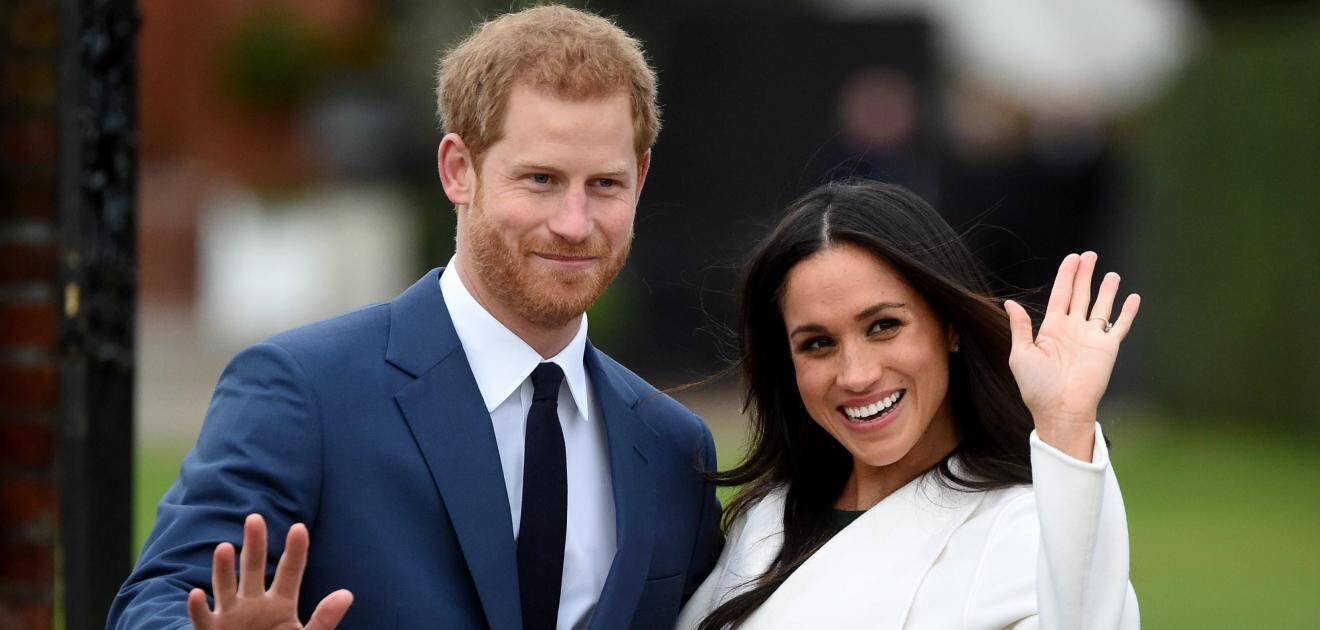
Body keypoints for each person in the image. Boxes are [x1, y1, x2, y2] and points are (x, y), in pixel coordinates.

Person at [108, 6, 722, 630]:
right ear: (459, 170)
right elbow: (156, 602)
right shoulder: (305, 392)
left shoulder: (674, 449)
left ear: (641, 179)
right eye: (540, 179)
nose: (573, 221)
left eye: (605, 185)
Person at [676, 180, 1140, 629]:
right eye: (817, 343)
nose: (856, 375)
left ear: (949, 326)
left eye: (883, 326)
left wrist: (1065, 423)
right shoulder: (764, 520)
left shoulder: (1022, 528)